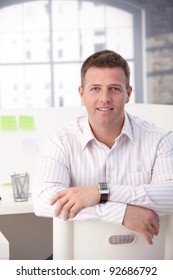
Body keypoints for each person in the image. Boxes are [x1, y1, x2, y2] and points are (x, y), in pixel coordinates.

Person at [32, 50, 173, 245]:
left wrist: (101, 192)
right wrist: (121, 213)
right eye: (95, 89)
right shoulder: (61, 141)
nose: (104, 98)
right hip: (78, 263)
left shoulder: (159, 139)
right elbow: (43, 201)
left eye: (114, 89)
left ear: (128, 94)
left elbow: (170, 195)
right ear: (82, 94)